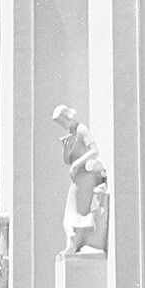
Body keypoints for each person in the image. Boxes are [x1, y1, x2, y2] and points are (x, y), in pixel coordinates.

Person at [52, 105, 109, 254]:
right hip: (77, 178)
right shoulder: (71, 134)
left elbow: (95, 151)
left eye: (62, 121)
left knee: (77, 212)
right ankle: (72, 240)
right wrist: (66, 148)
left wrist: (78, 163)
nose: (62, 125)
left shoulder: (82, 129)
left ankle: (77, 242)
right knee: (70, 213)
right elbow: (68, 161)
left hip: (86, 176)